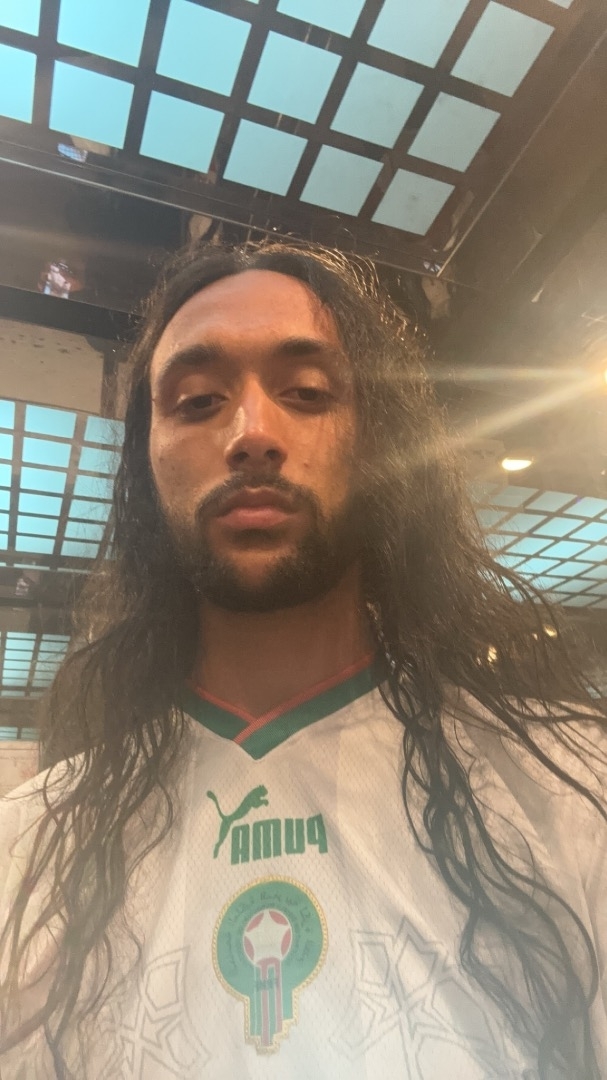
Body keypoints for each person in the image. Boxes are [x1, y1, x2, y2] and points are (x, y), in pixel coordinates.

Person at [0, 241, 606, 1080]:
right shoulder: (29, 848)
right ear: (146, 461)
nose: (252, 434)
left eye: (308, 393)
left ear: (377, 438)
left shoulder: (574, 792)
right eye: (198, 401)